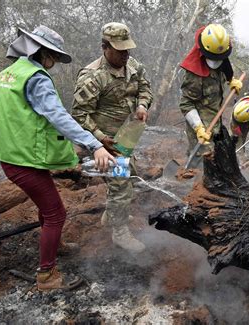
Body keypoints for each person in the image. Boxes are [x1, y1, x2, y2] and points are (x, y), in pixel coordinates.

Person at [0, 25, 115, 291]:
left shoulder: (7, 74)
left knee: (48, 207)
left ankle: (56, 245)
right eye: (53, 56)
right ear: (41, 51)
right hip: (24, 159)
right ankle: (47, 276)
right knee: (56, 213)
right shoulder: (37, 77)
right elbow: (57, 116)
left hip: (12, 155)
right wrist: (94, 145)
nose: (53, 63)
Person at [71, 22, 153, 253]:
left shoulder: (134, 66)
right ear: (105, 47)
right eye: (120, 50)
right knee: (121, 184)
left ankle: (111, 214)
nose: (126, 54)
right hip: (102, 143)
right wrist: (98, 138)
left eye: (128, 49)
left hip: (125, 139)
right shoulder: (93, 76)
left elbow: (145, 89)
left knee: (133, 177)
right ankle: (120, 232)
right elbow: (79, 114)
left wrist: (143, 105)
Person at [179, 24, 243, 168]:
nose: (217, 61)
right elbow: (186, 104)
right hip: (201, 127)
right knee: (203, 164)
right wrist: (198, 128)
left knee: (219, 159)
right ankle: (191, 182)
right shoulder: (193, 74)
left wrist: (231, 80)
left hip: (216, 122)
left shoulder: (221, 52)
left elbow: (225, 66)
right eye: (213, 57)